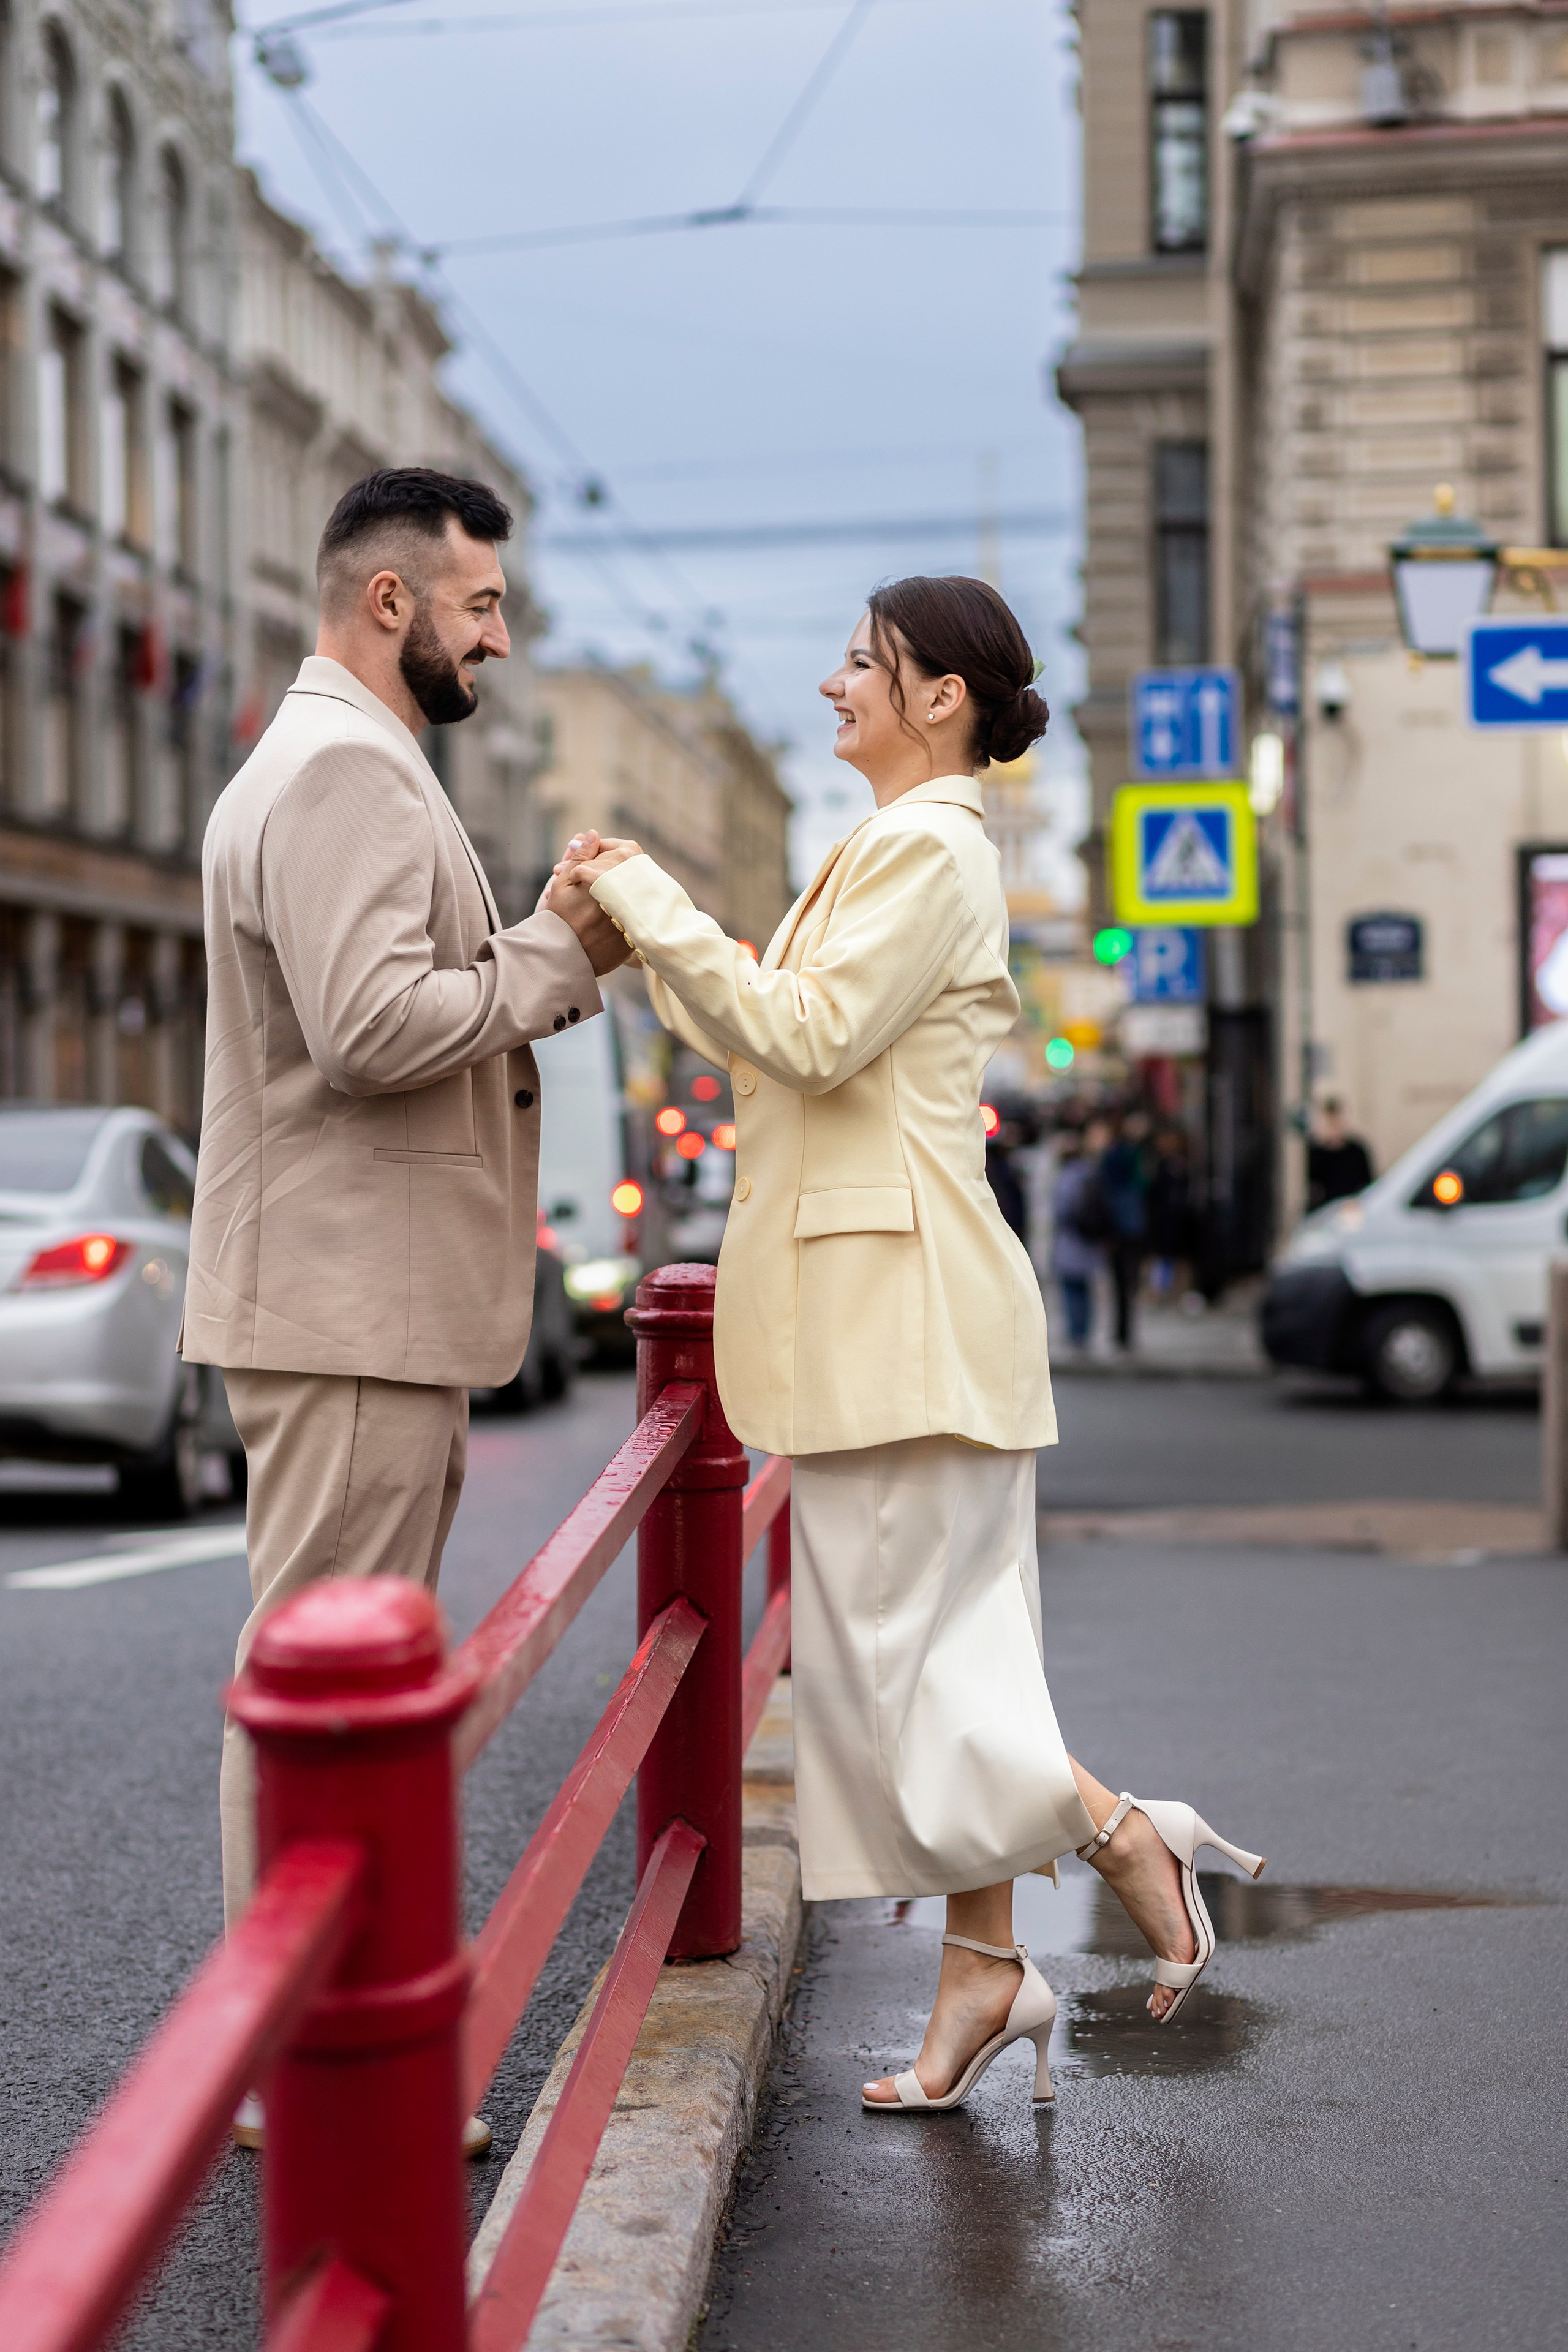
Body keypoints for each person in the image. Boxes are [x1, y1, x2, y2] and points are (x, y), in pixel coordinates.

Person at [550, 576, 1263, 2114]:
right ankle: (983, 1977)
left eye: (859, 664)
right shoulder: (891, 847)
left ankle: (1124, 1831)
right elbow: (771, 1035)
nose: (830, 686)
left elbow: (802, 1033)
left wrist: (660, 899)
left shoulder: (930, 850)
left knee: (907, 1670)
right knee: (944, 1660)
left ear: (937, 695)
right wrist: (657, 934)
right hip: (896, 1310)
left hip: (908, 1313)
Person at [181, 467, 629, 2152]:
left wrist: (531, 945)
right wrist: (564, 948)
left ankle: (318, 2028)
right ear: (390, 602)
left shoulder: (335, 762)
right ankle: (309, 2059)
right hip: (344, 1306)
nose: (498, 640)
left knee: (338, 1689)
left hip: (348, 1301)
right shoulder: (348, 773)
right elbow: (373, 1030)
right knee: (322, 1693)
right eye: (481, 607)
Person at [1050, 1120, 1112, 1349]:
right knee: (1086, 1290)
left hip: (1070, 1241)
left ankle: (1076, 1335)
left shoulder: (1066, 1178)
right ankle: (1085, 1332)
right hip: (1088, 1242)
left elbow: (1062, 1210)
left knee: (1071, 1290)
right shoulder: (1090, 1174)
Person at [1101, 1109, 1152, 1351]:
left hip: (1120, 1229)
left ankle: (1122, 1332)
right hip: (1131, 1228)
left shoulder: (1113, 1159)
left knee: (1120, 1283)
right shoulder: (1134, 1159)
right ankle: (1125, 1332)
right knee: (1128, 1282)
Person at [1147, 1125, 1195, 1299]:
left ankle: (1169, 1289)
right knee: (1164, 1256)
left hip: (1174, 1218)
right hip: (1165, 1217)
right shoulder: (1163, 1164)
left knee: (1171, 1255)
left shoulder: (1178, 1164)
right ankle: (1161, 1289)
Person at [1307, 1096, 1374, 1210]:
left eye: (1336, 1120)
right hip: (1325, 1211)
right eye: (1330, 1121)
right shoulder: (1315, 1154)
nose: (1334, 1125)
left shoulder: (1357, 1151)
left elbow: (1368, 1185)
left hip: (1351, 1210)